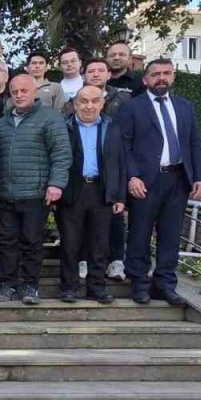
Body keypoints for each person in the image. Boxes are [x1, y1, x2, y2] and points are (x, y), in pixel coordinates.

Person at [116, 58, 201, 306]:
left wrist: (199, 176)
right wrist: (131, 176)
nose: (161, 78)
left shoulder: (185, 107)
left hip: (178, 179)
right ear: (145, 80)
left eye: (166, 73)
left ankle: (165, 284)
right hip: (145, 181)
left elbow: (194, 144)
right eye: (155, 74)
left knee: (170, 235)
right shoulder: (132, 107)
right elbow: (122, 145)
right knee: (139, 233)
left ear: (173, 76)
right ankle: (139, 283)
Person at [0, 73, 71, 304]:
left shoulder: (50, 119)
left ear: (34, 91)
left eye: (23, 90)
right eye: (14, 91)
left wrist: (56, 183)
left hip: (35, 193)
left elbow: (61, 153)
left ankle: (30, 286)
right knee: (6, 241)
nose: (19, 95)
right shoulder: (1, 123)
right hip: (6, 193)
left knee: (32, 241)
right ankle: (7, 284)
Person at [58, 84, 126, 304]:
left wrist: (119, 196)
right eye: (84, 101)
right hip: (72, 190)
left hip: (101, 190)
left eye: (94, 101)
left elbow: (120, 164)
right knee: (70, 242)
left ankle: (96, 288)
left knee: (100, 244)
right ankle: (69, 287)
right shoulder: (64, 127)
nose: (89, 106)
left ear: (102, 103)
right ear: (75, 104)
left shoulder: (112, 128)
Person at [81, 56, 134, 281]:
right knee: (83, 222)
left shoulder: (123, 100)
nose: (95, 74)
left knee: (114, 220)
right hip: (85, 172)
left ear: (108, 74)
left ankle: (115, 262)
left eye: (99, 70)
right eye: (90, 71)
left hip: (111, 170)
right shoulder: (74, 101)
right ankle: (83, 260)